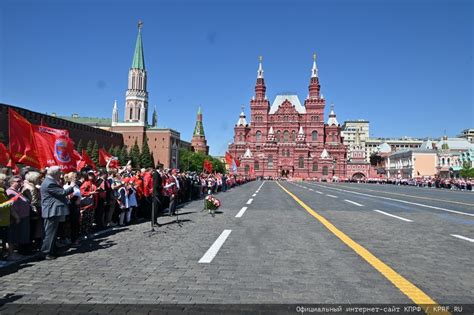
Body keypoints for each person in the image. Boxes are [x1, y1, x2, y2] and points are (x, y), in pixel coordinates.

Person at [40, 166, 74, 260]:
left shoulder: (51, 181)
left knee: (53, 232)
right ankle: (45, 252)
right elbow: (62, 192)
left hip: (53, 210)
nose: (61, 174)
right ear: (55, 173)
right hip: (52, 210)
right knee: (50, 233)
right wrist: (72, 186)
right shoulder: (49, 183)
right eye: (59, 172)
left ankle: (51, 250)